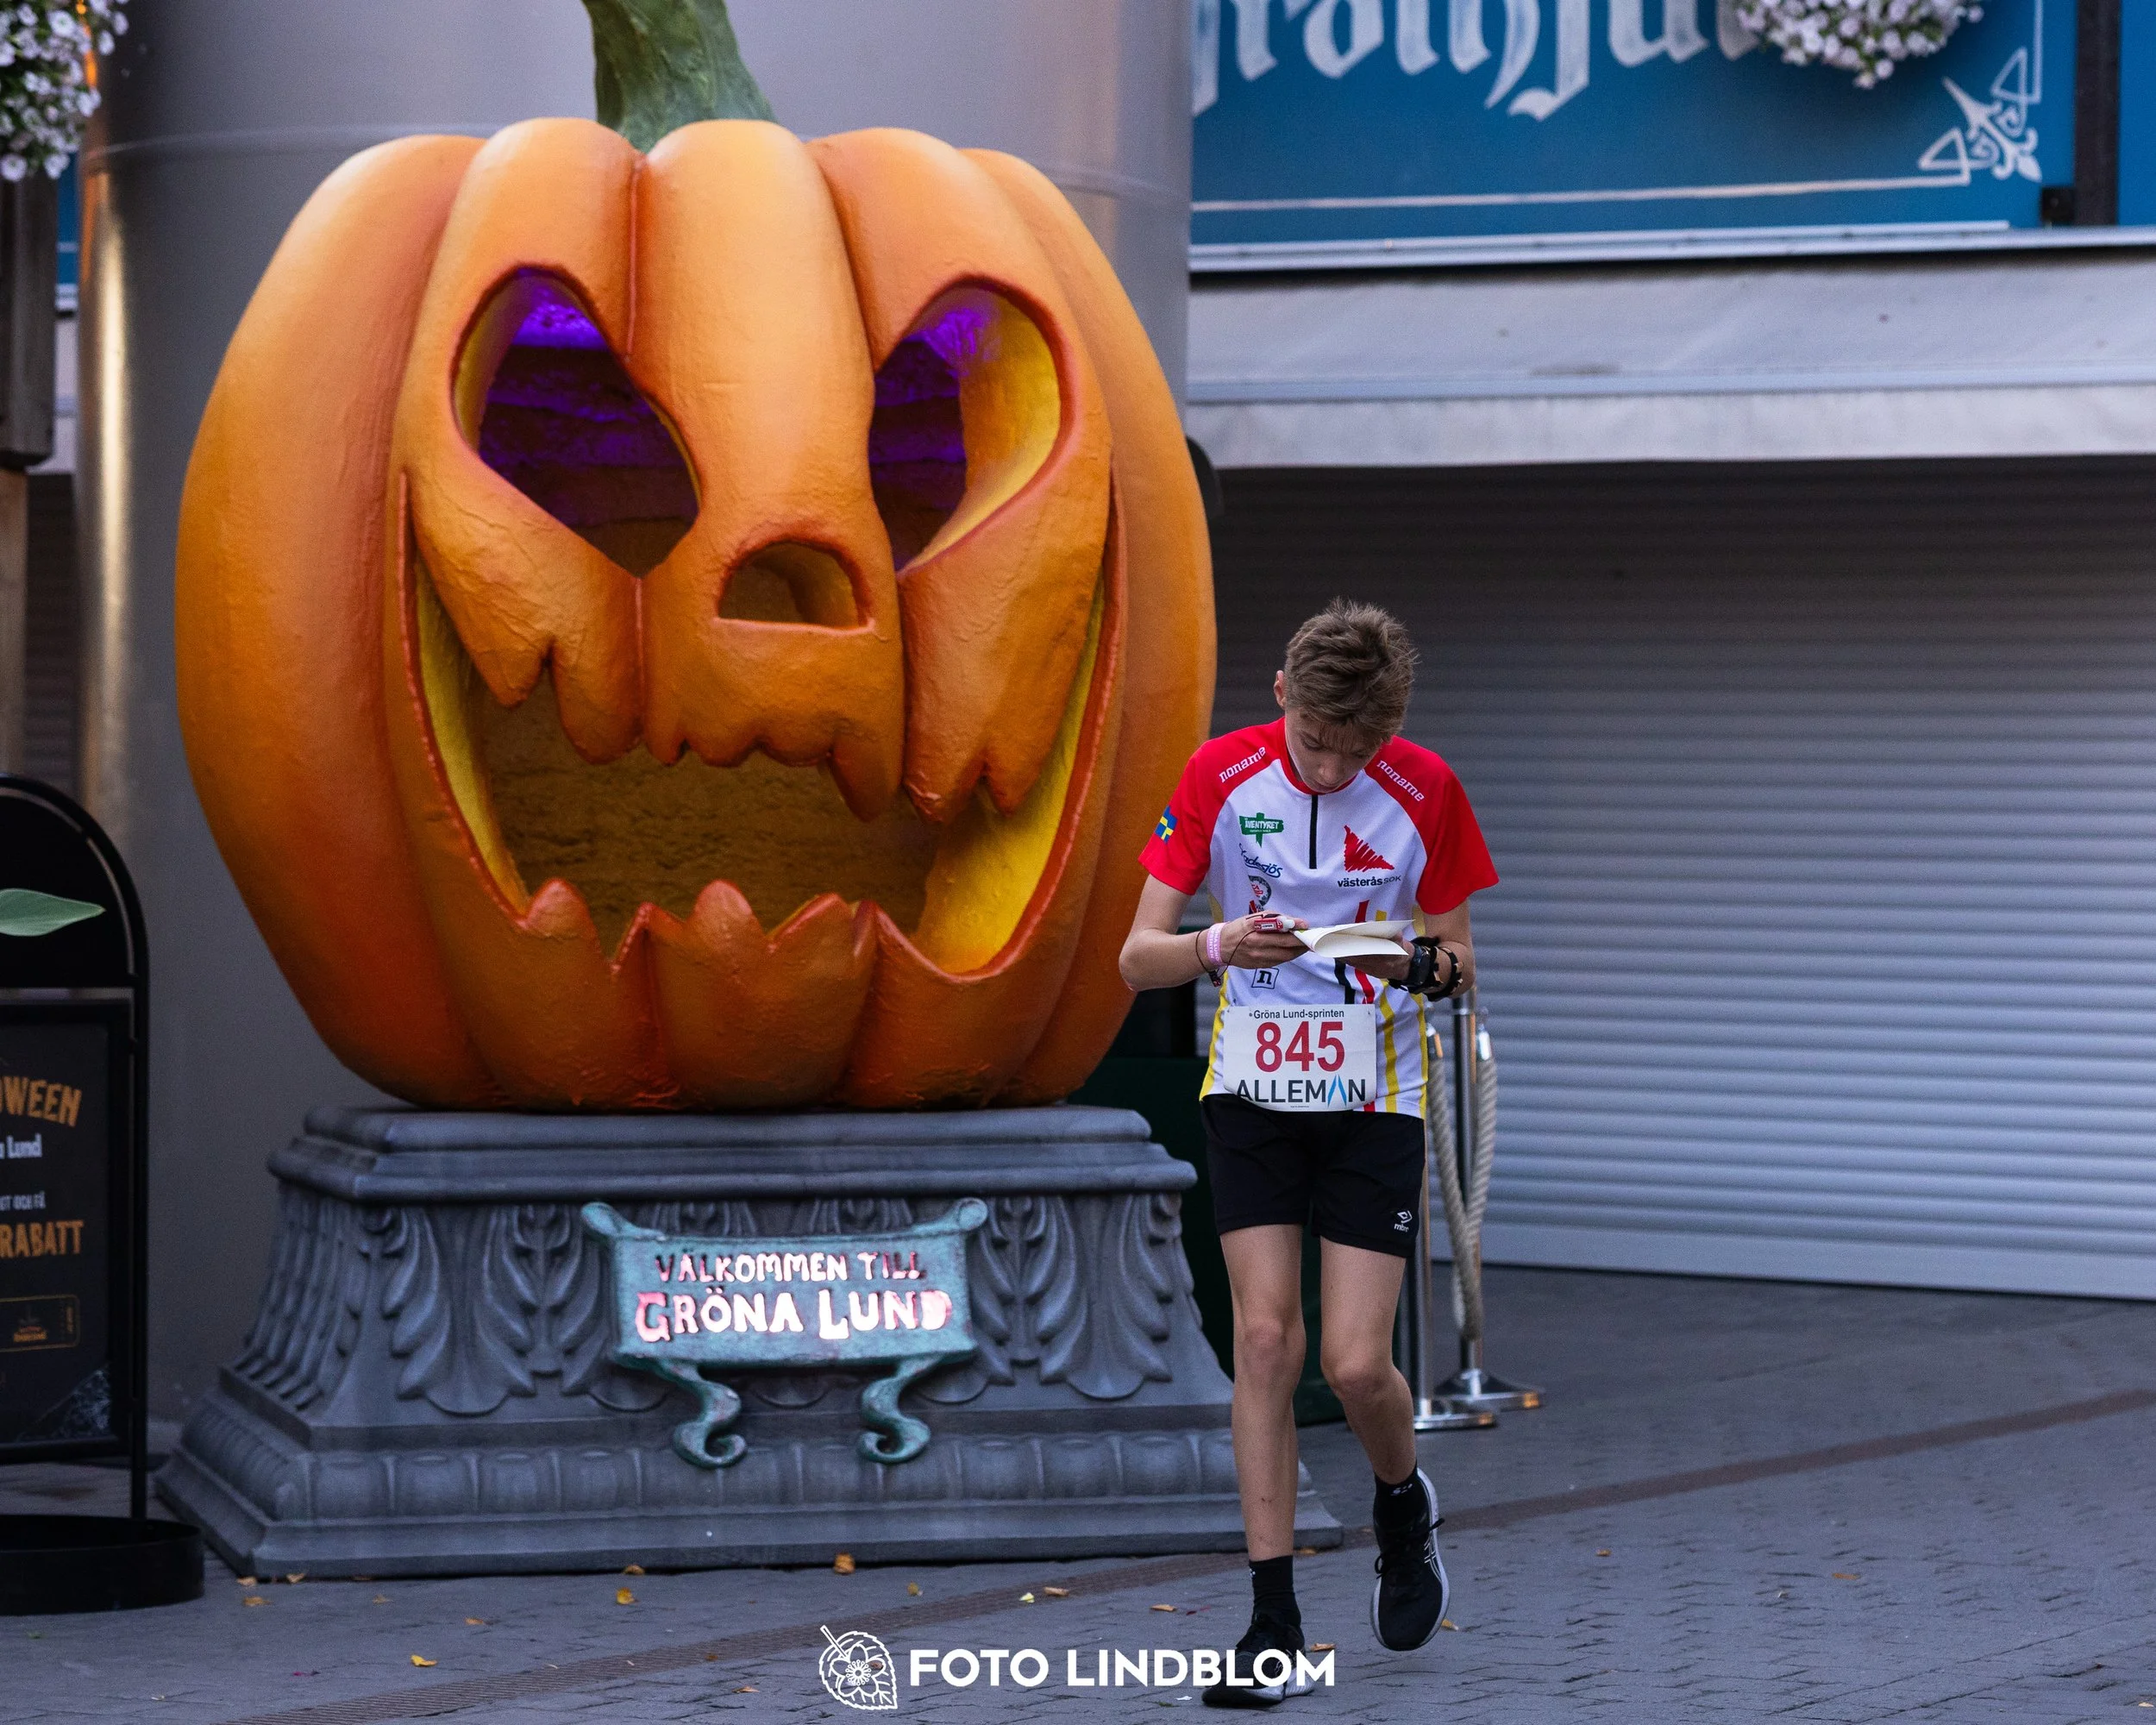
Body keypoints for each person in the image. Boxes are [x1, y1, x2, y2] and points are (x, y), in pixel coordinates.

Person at [1119, 599, 1498, 1707]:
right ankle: (1272, 1624)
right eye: (1314, 743)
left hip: (1373, 1095)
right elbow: (1136, 958)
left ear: (1391, 730)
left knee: (1353, 1363)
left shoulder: (1425, 784)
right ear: (1280, 696)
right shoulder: (1219, 775)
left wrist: (1409, 964)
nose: (1331, 768)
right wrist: (1217, 941)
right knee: (1267, 1338)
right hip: (1252, 1087)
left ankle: (1401, 1503)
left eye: (1357, 749)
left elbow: (1461, 961)